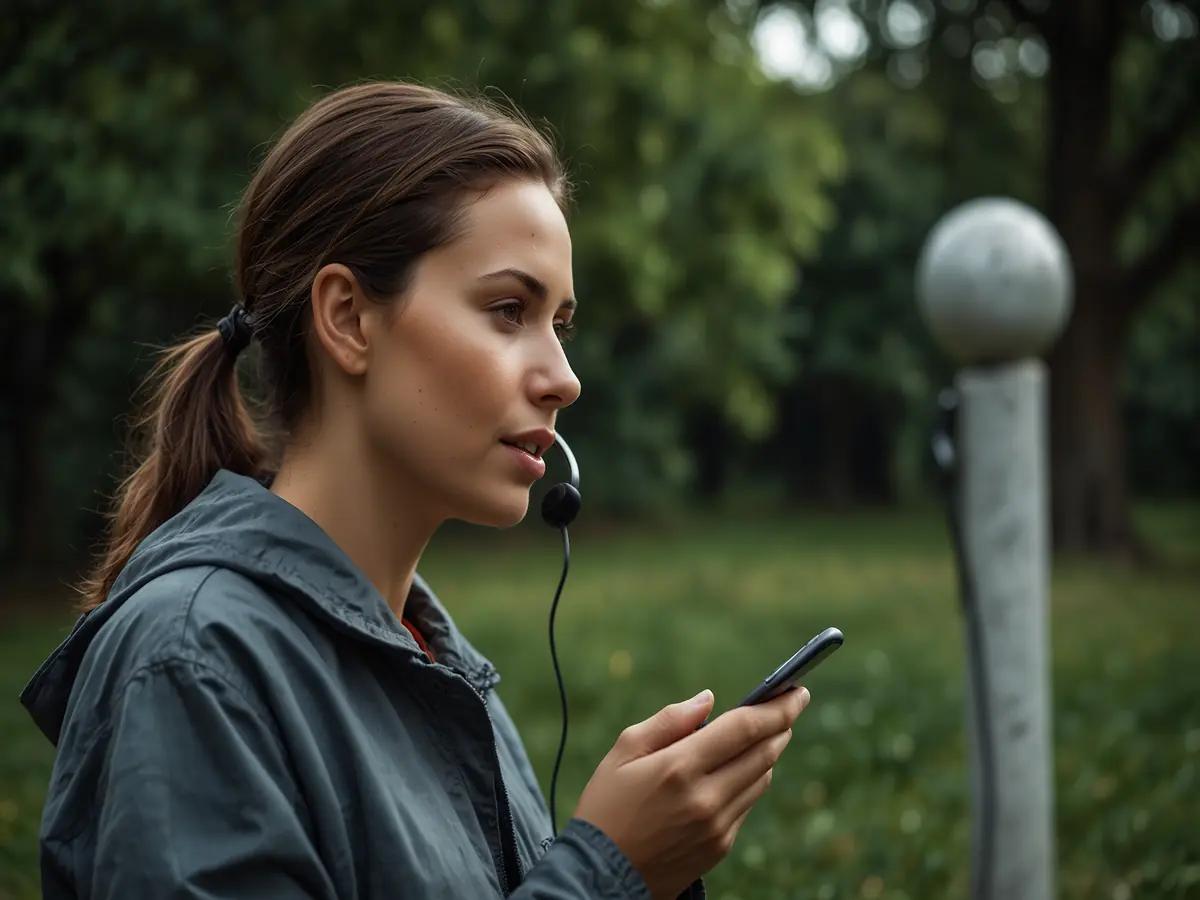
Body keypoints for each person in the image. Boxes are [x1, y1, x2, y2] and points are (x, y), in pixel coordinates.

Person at [20, 81, 810, 900]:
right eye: (508, 309)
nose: (564, 379)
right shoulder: (195, 660)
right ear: (349, 319)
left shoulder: (433, 659)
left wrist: (648, 869)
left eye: (559, 324)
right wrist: (610, 871)